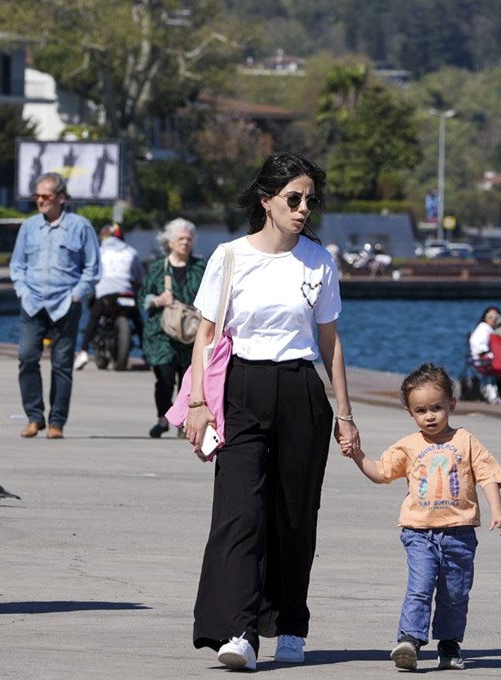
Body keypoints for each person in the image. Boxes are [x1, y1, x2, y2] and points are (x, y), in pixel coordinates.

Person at [184, 152, 360, 670]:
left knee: (294, 516)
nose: (304, 208)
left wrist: (344, 415)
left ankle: (290, 623)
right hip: (241, 387)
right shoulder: (229, 257)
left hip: (302, 391)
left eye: (310, 199)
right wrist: (198, 403)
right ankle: (237, 631)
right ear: (267, 201)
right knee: (240, 513)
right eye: (294, 198)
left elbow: (329, 342)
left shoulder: (319, 262)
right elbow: (206, 336)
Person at [342, 363, 501, 671]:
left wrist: (497, 509)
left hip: (459, 534)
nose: (429, 416)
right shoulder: (408, 445)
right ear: (411, 413)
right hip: (419, 532)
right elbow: (381, 472)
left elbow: (487, 475)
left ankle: (449, 645)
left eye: (436, 408)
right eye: (421, 411)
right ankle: (410, 641)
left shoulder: (465, 440)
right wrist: (356, 454)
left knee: (455, 595)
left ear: (451, 405)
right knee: (420, 587)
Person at [9, 172, 100, 439]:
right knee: (27, 358)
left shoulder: (81, 226)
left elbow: (92, 268)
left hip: (65, 304)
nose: (40, 201)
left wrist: (77, 295)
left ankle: (57, 422)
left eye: (46, 196)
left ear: (61, 198)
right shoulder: (29, 227)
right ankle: (34, 417)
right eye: (37, 196)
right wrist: (22, 291)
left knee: (62, 364)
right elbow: (17, 264)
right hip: (33, 302)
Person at [139, 218, 205, 438]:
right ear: (169, 242)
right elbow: (143, 298)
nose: (185, 243)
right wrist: (158, 300)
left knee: (187, 380)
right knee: (165, 377)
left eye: (188, 239)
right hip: (162, 334)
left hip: (191, 333)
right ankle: (162, 418)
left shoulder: (200, 267)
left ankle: (183, 421)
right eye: (180, 239)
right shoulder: (158, 268)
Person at [74, 223, 144, 370]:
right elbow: (139, 276)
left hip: (105, 296)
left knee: (92, 320)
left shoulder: (98, 252)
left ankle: (83, 352)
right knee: (138, 321)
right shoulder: (131, 252)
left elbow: (90, 274)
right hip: (127, 294)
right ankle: (147, 351)